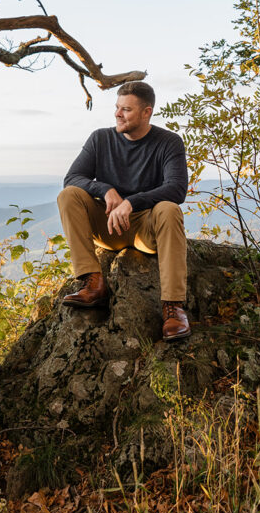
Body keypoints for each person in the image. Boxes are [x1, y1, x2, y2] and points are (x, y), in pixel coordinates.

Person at [57, 81, 191, 340]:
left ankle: (173, 308)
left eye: (126, 110)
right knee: (69, 195)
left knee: (169, 208)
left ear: (146, 112)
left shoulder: (169, 142)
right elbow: (72, 178)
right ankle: (92, 282)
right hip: (106, 225)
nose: (118, 114)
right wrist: (105, 190)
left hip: (145, 229)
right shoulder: (101, 138)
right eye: (117, 108)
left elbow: (176, 189)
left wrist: (132, 202)